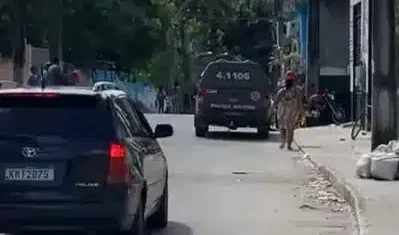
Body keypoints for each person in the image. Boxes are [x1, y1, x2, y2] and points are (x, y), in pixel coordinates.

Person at [270, 70, 304, 151]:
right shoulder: (297, 91)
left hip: (282, 113)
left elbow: (275, 102)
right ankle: (288, 145)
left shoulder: (282, 91)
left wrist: (271, 111)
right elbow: (300, 104)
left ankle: (283, 142)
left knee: (282, 128)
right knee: (290, 129)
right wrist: (301, 113)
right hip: (292, 113)